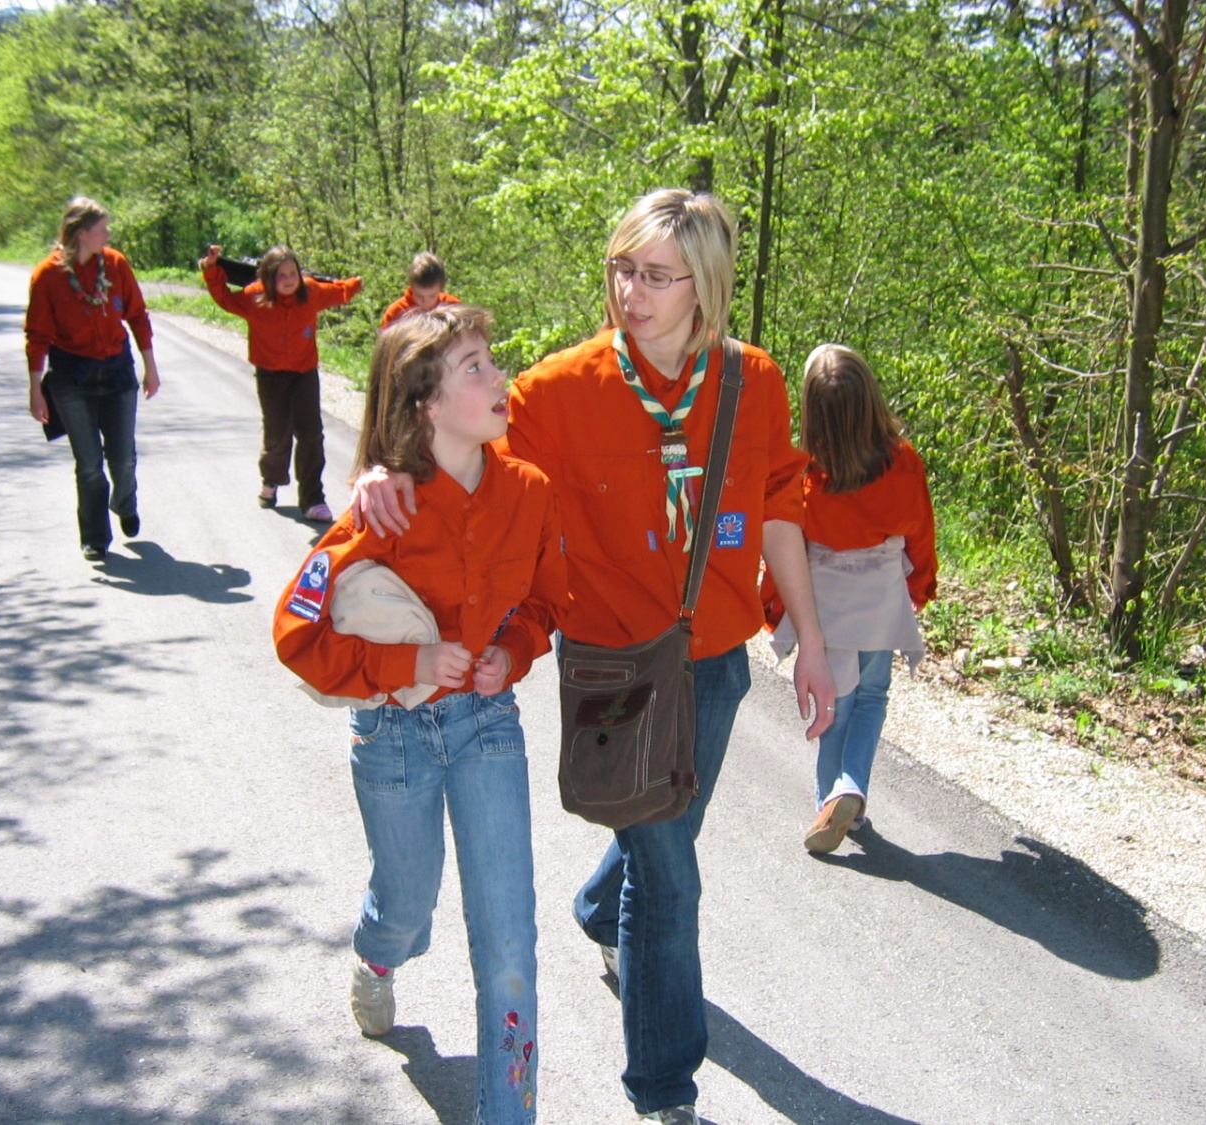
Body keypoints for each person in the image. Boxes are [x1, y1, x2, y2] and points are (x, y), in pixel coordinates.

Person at [351, 189, 836, 1125]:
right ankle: (664, 1093)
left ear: (707, 285)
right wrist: (384, 468)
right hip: (612, 665)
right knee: (670, 876)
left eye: (656, 276)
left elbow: (781, 509)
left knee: (666, 837)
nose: (630, 291)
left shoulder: (755, 383)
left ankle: (596, 905)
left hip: (714, 660)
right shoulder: (559, 392)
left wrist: (811, 642)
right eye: (621, 268)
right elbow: (459, 449)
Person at [273, 305, 567, 1125]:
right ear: (425, 404)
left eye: (491, 361)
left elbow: (546, 600)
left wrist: (513, 650)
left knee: (509, 944)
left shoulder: (530, 491)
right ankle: (377, 955)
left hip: (487, 726)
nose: (499, 378)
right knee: (408, 905)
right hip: (392, 735)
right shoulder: (384, 507)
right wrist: (405, 664)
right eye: (474, 367)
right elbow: (297, 636)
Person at [765, 344, 937, 853]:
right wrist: (919, 587)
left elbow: (785, 544)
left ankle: (829, 799)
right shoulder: (904, 464)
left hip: (825, 604)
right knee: (872, 697)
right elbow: (919, 535)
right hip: (881, 600)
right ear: (870, 401)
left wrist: (774, 605)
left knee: (834, 699)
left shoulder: (804, 478)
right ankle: (849, 788)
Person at [26, 196, 160, 561]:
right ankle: (95, 538)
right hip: (72, 378)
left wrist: (150, 367)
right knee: (88, 464)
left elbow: (137, 316)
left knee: (123, 459)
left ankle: (125, 502)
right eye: (103, 229)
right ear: (83, 234)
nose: (108, 234)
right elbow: (36, 335)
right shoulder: (47, 275)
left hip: (116, 373)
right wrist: (36, 389)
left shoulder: (115, 264)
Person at [199, 243, 362, 521]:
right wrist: (212, 270)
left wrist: (358, 281)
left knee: (311, 435)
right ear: (268, 278)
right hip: (270, 374)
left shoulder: (311, 292)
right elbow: (225, 298)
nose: (288, 280)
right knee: (277, 433)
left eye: (292, 273)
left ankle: (313, 498)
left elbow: (341, 292)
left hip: (304, 374)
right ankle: (271, 480)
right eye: (281, 275)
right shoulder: (255, 297)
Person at [378, 251, 460, 330]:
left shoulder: (453, 307)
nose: (426, 302)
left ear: (440, 288)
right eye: (419, 296)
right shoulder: (396, 313)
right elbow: (384, 343)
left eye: (432, 296)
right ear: (412, 287)